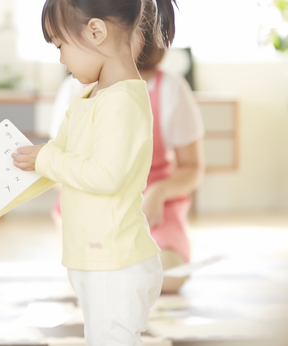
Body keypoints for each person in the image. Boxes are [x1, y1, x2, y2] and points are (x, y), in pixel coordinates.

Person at [11, 0, 177, 345]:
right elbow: (56, 164)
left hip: (116, 263)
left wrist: (45, 159)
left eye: (59, 45)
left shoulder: (123, 101)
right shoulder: (89, 97)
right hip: (96, 260)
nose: (59, 59)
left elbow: (105, 175)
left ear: (96, 32)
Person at [49, 43, 205, 294]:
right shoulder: (75, 90)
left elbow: (193, 168)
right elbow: (56, 166)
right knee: (92, 276)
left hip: (152, 209)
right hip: (89, 205)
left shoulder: (171, 89)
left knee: (169, 276)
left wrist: (158, 193)